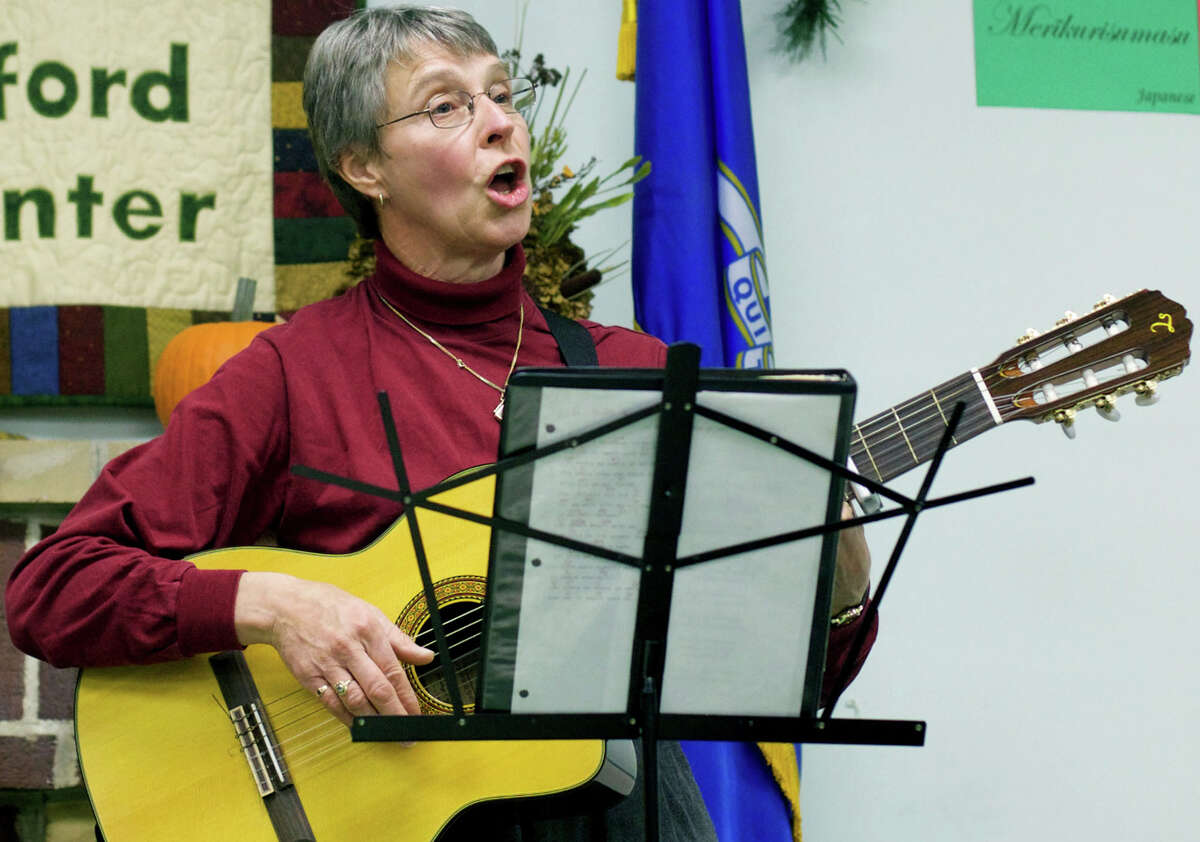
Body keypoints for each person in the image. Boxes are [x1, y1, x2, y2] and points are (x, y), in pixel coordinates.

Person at [5, 6, 875, 840]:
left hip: (626, 814)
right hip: (395, 815)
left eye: (500, 94)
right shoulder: (292, 373)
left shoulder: (638, 374)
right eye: (447, 106)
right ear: (364, 168)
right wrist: (270, 604)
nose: (499, 123)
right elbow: (53, 588)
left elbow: (772, 685)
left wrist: (839, 572)